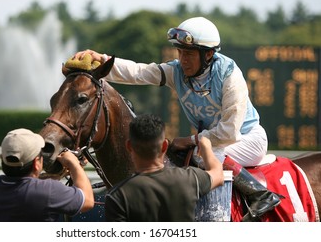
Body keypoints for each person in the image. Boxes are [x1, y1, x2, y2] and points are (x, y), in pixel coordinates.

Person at [72, 16, 281, 221]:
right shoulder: (177, 71)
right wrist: (103, 59)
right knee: (179, 157)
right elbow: (139, 72)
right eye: (180, 52)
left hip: (247, 139)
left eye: (189, 53)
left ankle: (258, 194)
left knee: (203, 154)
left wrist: (190, 141)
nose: (183, 59)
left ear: (208, 54)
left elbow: (228, 133)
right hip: (210, 142)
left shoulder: (230, 76)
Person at [105, 113, 224, 221]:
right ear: (164, 146)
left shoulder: (117, 196)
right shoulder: (189, 178)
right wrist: (205, 145)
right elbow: (218, 175)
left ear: (129, 146)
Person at [0, 128, 94, 221]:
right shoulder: (47, 191)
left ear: (2, 159)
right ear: (36, 163)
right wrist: (74, 163)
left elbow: (27, 189)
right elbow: (87, 201)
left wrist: (57, 177)